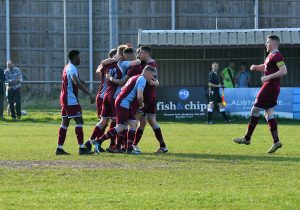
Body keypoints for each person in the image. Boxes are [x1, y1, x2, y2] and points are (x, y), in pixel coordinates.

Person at [233, 35, 287, 153]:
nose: (266, 44)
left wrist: (267, 77)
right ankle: (276, 141)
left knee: (255, 110)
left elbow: (284, 70)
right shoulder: (270, 56)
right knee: (268, 114)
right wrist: (257, 67)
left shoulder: (277, 55)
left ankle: (247, 138)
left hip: (269, 87)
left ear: (273, 43)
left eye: (267, 42)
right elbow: (266, 67)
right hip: (273, 88)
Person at [93, 65, 158, 154]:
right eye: (152, 76)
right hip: (123, 103)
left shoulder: (135, 77)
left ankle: (129, 148)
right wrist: (142, 104)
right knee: (121, 127)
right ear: (147, 73)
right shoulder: (142, 79)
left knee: (133, 124)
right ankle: (99, 141)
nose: (152, 78)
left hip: (123, 102)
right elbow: (139, 97)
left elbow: (124, 89)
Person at [56, 50, 95, 155]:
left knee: (65, 123)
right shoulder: (71, 68)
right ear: (74, 57)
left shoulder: (67, 67)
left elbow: (72, 80)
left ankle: (59, 148)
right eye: (79, 57)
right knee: (79, 121)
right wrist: (89, 94)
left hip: (65, 98)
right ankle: (82, 148)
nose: (80, 59)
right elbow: (75, 81)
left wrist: (80, 80)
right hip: (70, 99)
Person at [132, 46, 168, 154]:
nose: (139, 55)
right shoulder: (148, 63)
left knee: (133, 120)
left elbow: (154, 81)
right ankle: (163, 146)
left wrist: (155, 82)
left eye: (141, 53)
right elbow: (156, 81)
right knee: (149, 121)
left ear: (147, 53)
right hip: (151, 96)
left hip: (146, 97)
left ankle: (130, 145)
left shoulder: (150, 65)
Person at [84, 48, 118, 153]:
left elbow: (98, 69)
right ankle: (107, 144)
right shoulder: (114, 65)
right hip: (107, 96)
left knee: (105, 121)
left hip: (103, 96)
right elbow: (99, 69)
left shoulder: (105, 65)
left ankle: (92, 142)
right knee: (111, 121)